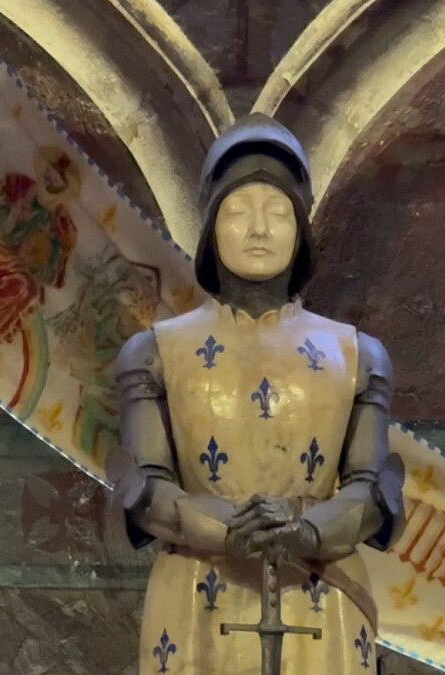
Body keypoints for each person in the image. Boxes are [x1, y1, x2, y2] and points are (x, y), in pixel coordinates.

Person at [107, 113, 404, 674]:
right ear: (211, 226)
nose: (259, 229)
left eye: (278, 211)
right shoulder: (154, 353)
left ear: (301, 228)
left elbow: (374, 490)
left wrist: (306, 529)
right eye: (239, 211)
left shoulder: (358, 355)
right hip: (196, 592)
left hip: (322, 591)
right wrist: (223, 528)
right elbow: (143, 487)